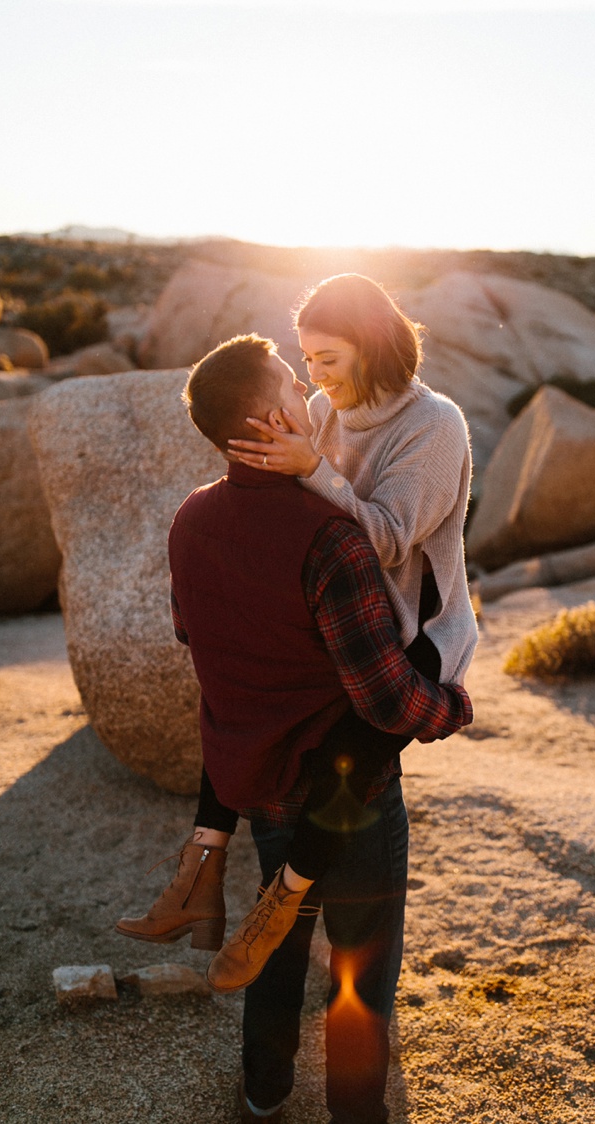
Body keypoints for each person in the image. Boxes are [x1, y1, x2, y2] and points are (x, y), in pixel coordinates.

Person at [117, 274, 476, 989]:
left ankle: (283, 896)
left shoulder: (436, 428)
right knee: (239, 693)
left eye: (327, 361)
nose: (313, 380)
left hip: (415, 629)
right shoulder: (323, 408)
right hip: (344, 620)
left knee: (358, 738)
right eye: (304, 361)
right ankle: (201, 866)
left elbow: (386, 539)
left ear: (372, 348)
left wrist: (311, 468)